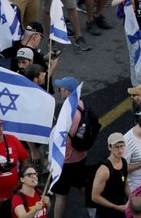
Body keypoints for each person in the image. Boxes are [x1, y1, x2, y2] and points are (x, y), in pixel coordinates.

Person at [51, 76, 89, 218]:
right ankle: (94, 212)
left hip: (66, 159)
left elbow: (65, 134)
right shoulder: (80, 104)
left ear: (67, 91)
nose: (59, 90)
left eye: (61, 88)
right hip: (81, 156)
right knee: (82, 186)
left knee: (60, 194)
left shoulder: (70, 112)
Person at [92, 133, 130, 218]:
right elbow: (95, 196)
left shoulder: (124, 163)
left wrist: (131, 198)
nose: (120, 150)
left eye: (122, 146)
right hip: (105, 214)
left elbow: (125, 184)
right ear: (109, 147)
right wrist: (116, 207)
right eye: (116, 147)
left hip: (120, 210)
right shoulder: (104, 170)